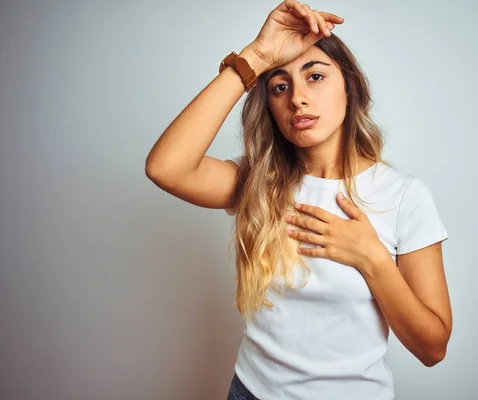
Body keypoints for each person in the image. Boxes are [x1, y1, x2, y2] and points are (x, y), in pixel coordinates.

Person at [145, 1, 452, 399]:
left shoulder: (403, 196)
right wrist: (255, 56)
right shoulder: (257, 182)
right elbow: (165, 167)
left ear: (350, 88)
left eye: (316, 77)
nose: (298, 99)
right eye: (280, 86)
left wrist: (371, 257)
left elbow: (433, 348)